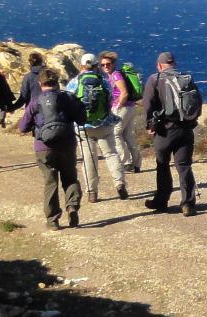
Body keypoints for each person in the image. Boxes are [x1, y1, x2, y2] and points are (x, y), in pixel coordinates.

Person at [18, 67, 84, 229]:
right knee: (70, 177)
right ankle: (72, 206)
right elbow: (82, 119)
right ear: (57, 82)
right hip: (67, 143)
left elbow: (23, 127)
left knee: (50, 181)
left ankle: (52, 220)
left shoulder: (35, 102)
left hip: (44, 146)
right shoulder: (67, 99)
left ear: (40, 83)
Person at [139, 51, 199, 215]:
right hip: (186, 129)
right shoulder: (186, 78)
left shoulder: (155, 79)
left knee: (162, 164)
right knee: (184, 166)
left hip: (164, 130)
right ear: (174, 63)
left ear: (159, 65)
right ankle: (188, 203)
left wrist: (149, 125)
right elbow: (197, 102)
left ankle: (161, 201)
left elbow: (148, 105)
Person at [66, 52, 128, 200]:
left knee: (89, 159)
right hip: (104, 124)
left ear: (81, 65)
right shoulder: (104, 81)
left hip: (83, 127)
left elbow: (67, 100)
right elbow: (111, 98)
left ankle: (92, 192)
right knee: (111, 154)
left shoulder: (75, 81)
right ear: (96, 66)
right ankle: (119, 184)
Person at [97, 50, 143, 173]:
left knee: (116, 133)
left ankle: (126, 162)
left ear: (113, 64)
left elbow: (124, 93)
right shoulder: (112, 75)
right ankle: (137, 163)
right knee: (128, 135)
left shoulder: (116, 75)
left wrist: (117, 107)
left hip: (123, 108)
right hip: (130, 108)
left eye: (108, 64)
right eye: (103, 65)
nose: (106, 66)